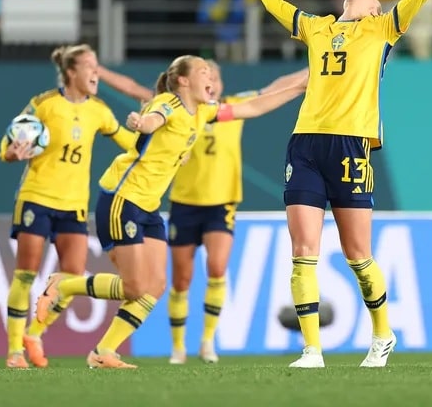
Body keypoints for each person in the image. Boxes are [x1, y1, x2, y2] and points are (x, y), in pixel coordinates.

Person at [245, 0, 432, 369]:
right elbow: (276, 5)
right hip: (306, 143)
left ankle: (382, 334)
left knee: (357, 254)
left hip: (352, 145)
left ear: (374, 10)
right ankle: (312, 350)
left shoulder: (383, 29)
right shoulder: (315, 28)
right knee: (303, 251)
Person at [34, 55, 306, 369]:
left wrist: (300, 87)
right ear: (183, 81)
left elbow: (255, 107)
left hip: (148, 207)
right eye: (204, 72)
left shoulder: (204, 111)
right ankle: (65, 284)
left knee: (156, 287)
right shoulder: (167, 104)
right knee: (135, 287)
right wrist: (141, 123)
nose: (211, 78)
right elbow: (154, 119)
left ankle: (103, 352)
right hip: (123, 199)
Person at [0, 44, 137, 369]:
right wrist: (11, 153)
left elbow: (129, 143)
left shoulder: (99, 111)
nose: (95, 72)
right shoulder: (45, 104)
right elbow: (10, 140)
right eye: (89, 66)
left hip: (74, 205)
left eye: (96, 65)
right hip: (37, 197)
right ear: (71, 72)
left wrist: (166, 148)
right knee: (25, 275)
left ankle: (34, 334)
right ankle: (14, 352)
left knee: (73, 275)